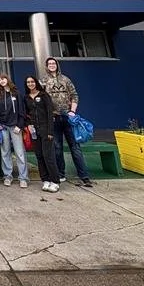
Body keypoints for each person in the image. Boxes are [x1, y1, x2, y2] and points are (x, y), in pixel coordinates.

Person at [41, 57, 92, 186]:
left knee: (75, 147)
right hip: (54, 118)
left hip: (68, 117)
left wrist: (72, 111)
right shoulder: (44, 80)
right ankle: (61, 173)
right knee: (57, 147)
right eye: (49, 64)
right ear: (46, 66)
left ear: (57, 65)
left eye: (53, 63)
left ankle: (84, 176)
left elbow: (74, 95)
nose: (52, 65)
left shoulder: (65, 79)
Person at [24, 76, 60, 192]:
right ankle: (45, 179)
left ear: (36, 83)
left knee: (48, 155)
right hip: (34, 130)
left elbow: (50, 113)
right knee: (39, 156)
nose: (30, 84)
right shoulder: (27, 98)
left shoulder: (44, 96)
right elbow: (26, 114)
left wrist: (50, 131)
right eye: (28, 82)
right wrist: (29, 124)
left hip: (45, 129)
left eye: (32, 82)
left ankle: (55, 181)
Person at [0, 73, 28, 188]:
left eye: (3, 78)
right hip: (3, 127)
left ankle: (23, 178)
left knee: (19, 152)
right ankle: (7, 176)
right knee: (5, 152)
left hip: (15, 127)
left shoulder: (16, 93)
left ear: (7, 79)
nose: (2, 81)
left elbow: (22, 110)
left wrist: (20, 125)